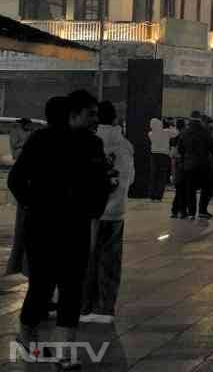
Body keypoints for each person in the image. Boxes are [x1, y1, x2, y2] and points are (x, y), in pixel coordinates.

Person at [10, 91, 110, 368]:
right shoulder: (42, 140)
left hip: (74, 225)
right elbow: (16, 179)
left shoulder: (93, 144)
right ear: (74, 114)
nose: (95, 119)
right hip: (43, 226)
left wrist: (92, 209)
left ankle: (64, 353)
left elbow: (100, 184)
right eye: (90, 114)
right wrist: (36, 205)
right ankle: (27, 338)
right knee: (41, 287)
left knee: (71, 289)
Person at [80, 100, 135, 324]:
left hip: (88, 210)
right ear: (114, 119)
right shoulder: (124, 145)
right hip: (115, 211)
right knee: (110, 259)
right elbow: (130, 178)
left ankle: (84, 306)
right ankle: (105, 308)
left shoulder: (87, 141)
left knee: (85, 258)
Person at [176, 112, 213, 220]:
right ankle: (202, 211)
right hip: (203, 164)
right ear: (200, 119)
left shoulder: (184, 132)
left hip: (188, 165)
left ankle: (191, 212)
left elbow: (180, 149)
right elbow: (211, 147)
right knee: (206, 188)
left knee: (190, 189)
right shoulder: (205, 131)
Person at [148, 117, 172, 201]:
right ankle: (159, 196)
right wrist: (170, 125)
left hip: (154, 155)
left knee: (153, 175)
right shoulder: (166, 132)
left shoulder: (150, 134)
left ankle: (152, 195)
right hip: (164, 156)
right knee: (162, 176)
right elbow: (176, 133)